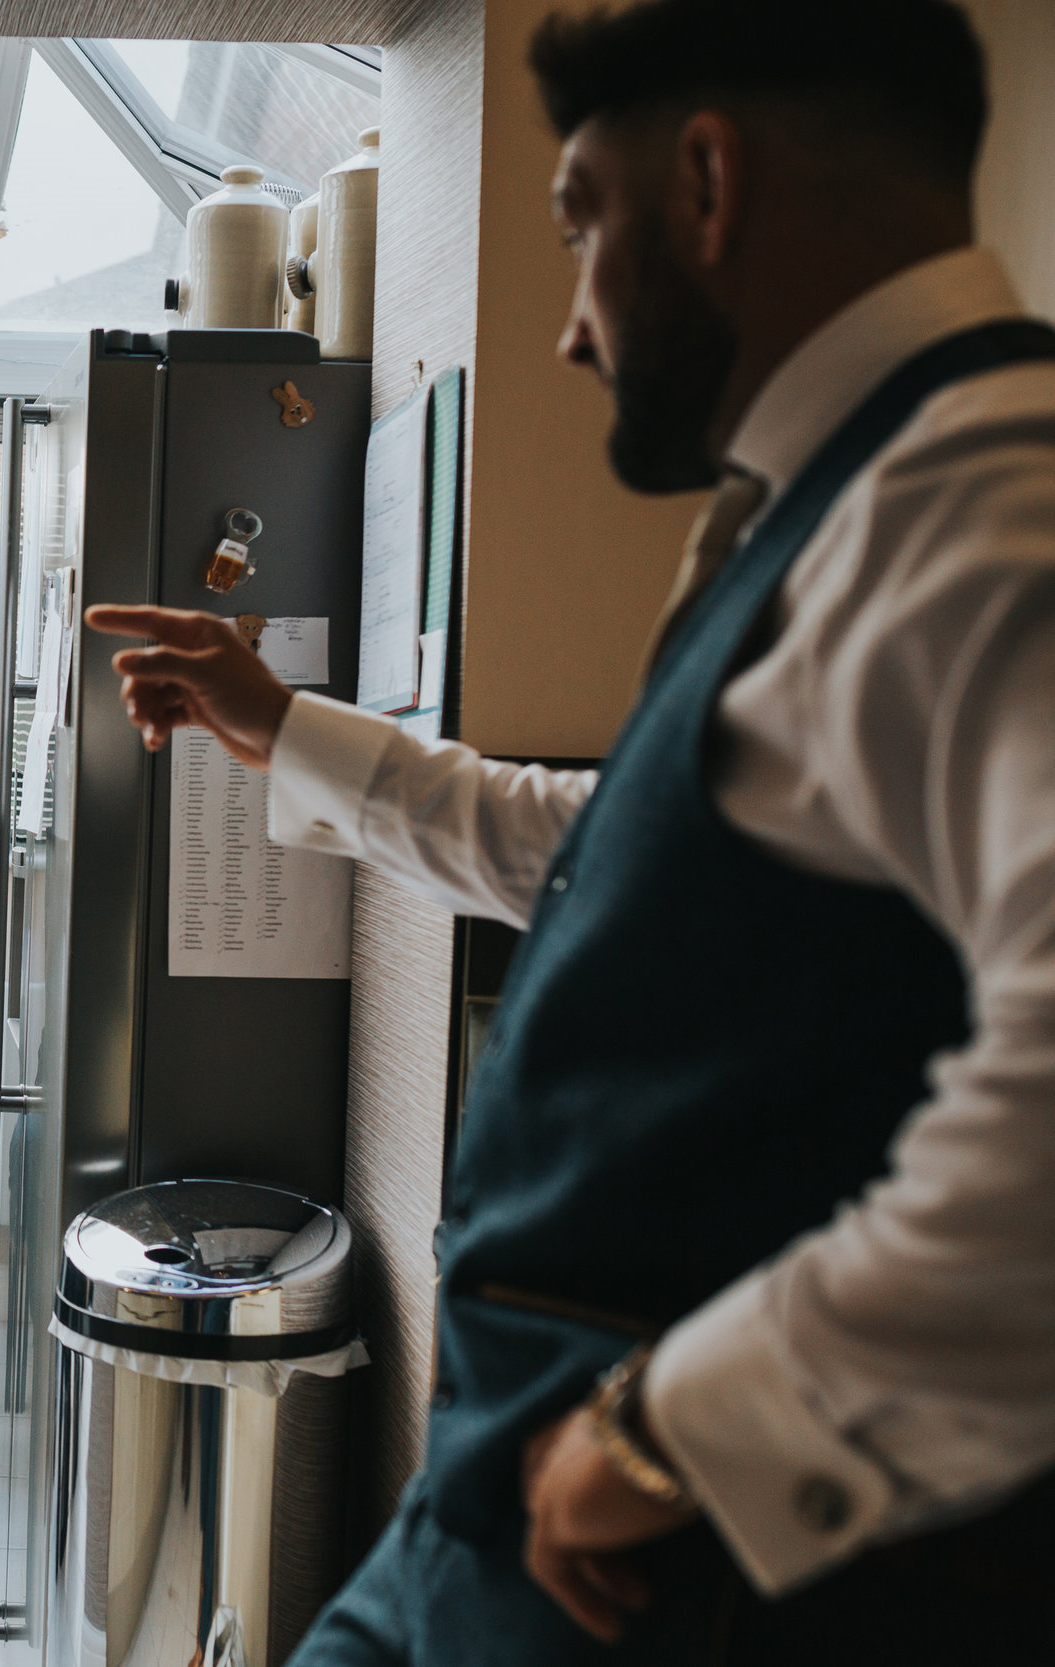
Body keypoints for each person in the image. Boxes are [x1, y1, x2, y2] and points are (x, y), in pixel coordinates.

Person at [88, 1, 1055, 1660]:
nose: (573, 327)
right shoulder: (847, 504)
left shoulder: (989, 516)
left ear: (706, 180)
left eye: (582, 224)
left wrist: (687, 1429)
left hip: (684, 1554)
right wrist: (284, 725)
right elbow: (623, 848)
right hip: (518, 1488)